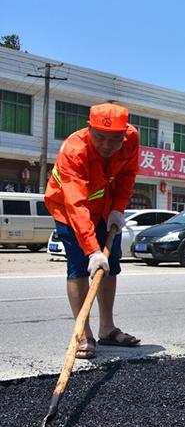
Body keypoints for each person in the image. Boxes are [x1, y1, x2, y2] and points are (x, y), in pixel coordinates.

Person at [45, 103, 141, 359]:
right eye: (100, 138)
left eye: (114, 139)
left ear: (125, 133)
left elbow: (127, 175)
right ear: (89, 129)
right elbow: (76, 204)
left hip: (106, 207)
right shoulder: (74, 150)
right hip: (68, 209)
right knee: (79, 266)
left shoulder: (131, 138)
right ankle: (83, 333)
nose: (107, 146)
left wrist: (118, 209)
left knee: (109, 266)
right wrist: (92, 250)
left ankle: (107, 329)